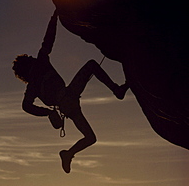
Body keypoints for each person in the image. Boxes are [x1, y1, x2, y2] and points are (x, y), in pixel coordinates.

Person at [12, 10, 129, 173]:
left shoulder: (32, 86)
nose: (32, 57)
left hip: (68, 104)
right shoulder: (39, 66)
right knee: (92, 65)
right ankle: (116, 90)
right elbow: (48, 39)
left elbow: (26, 106)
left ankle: (68, 154)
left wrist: (46, 112)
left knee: (91, 138)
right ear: (27, 64)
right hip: (68, 97)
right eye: (29, 58)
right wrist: (54, 18)